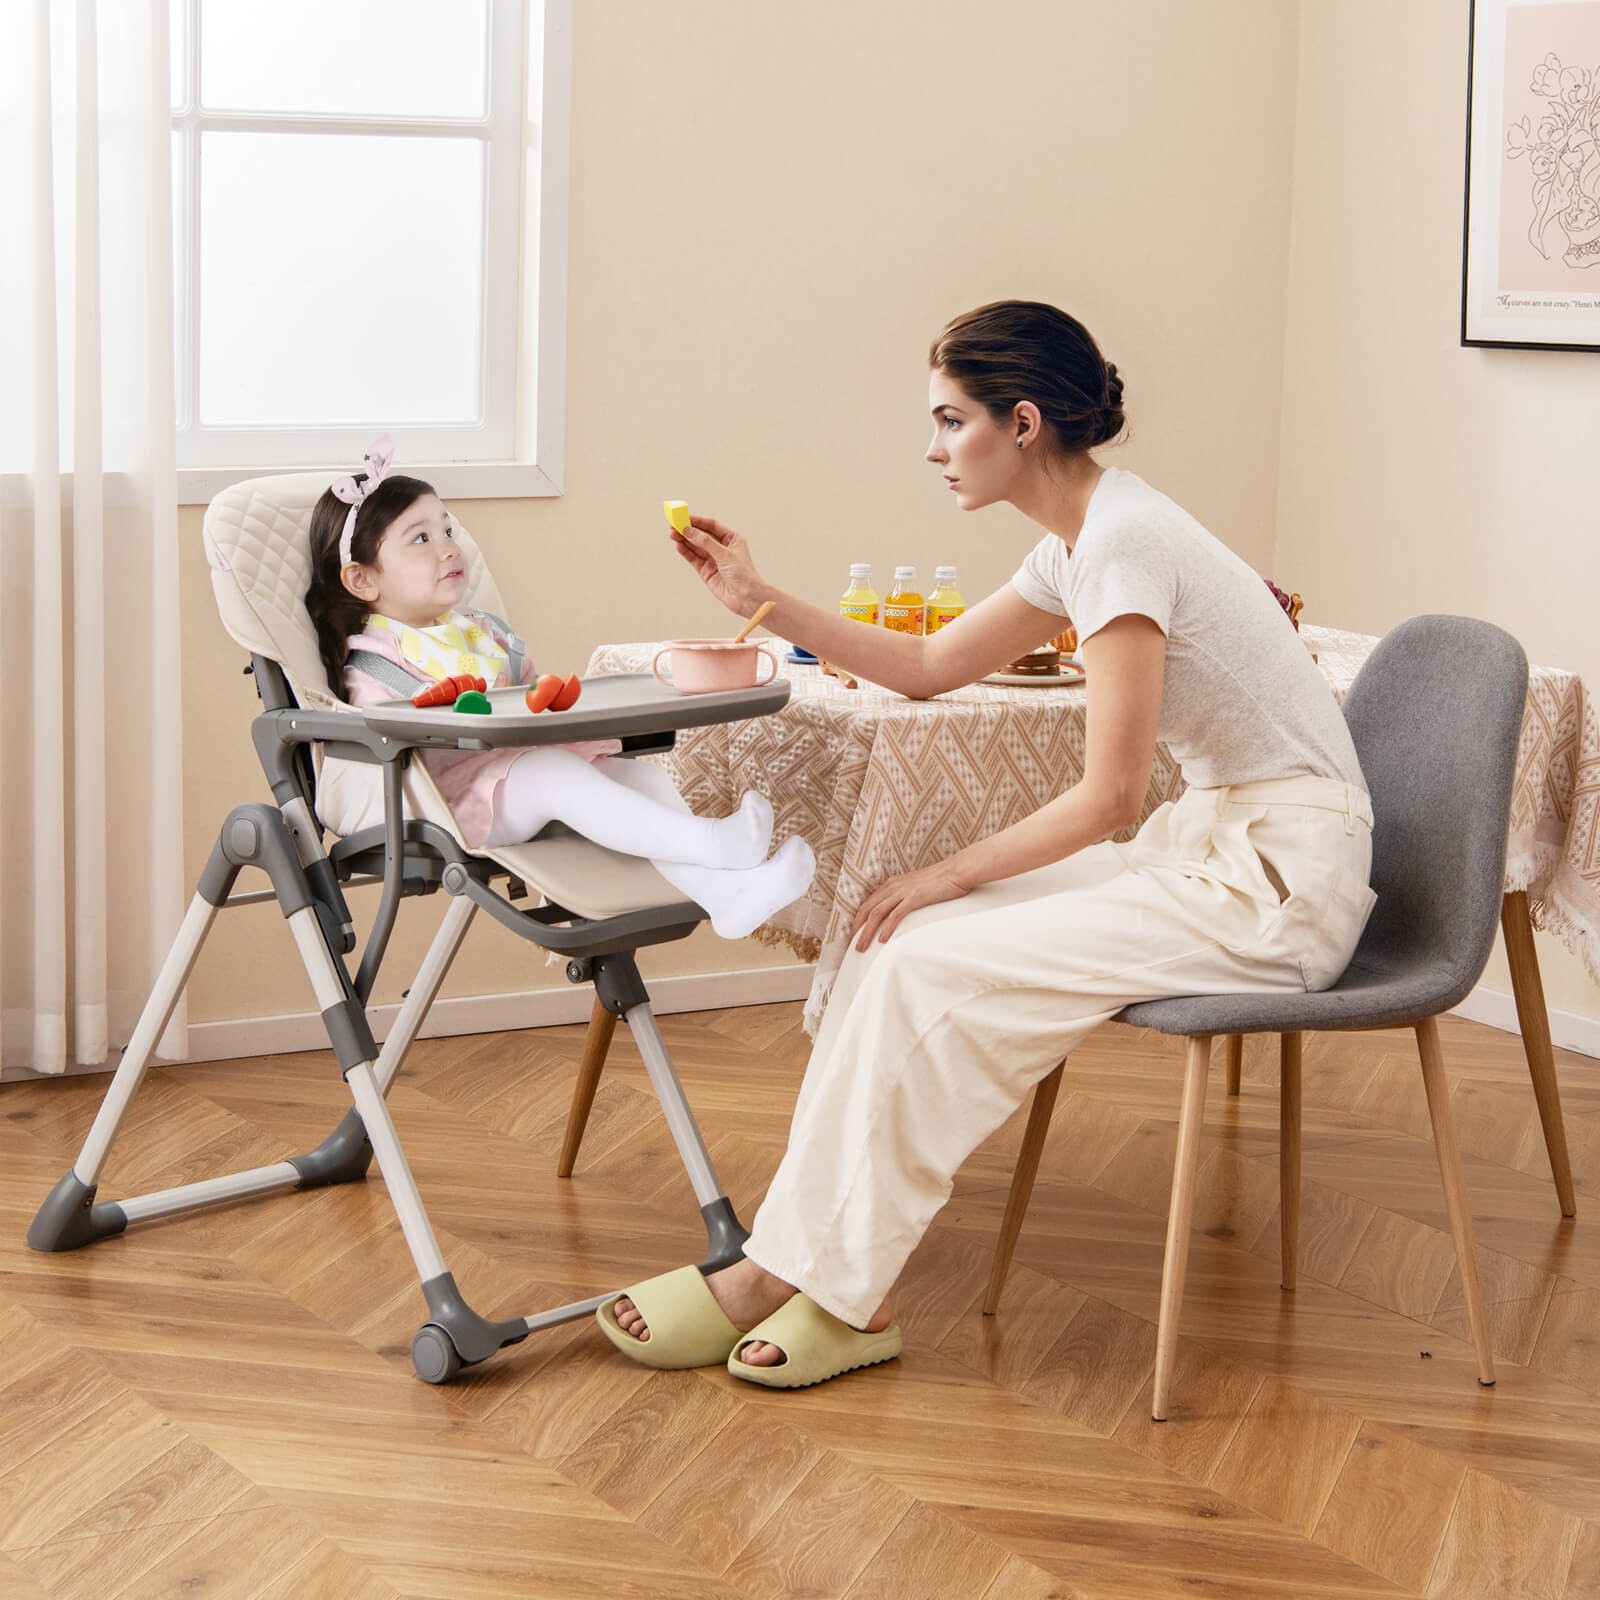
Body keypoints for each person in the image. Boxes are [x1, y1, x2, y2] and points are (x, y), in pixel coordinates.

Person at [596, 299, 1375, 1388]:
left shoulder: (1123, 545)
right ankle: (817, 1274)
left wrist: (947, 870)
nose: (933, 448)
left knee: (927, 945)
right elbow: (925, 667)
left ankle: (796, 1283)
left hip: (1276, 883)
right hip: (1212, 847)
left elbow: (1110, 797)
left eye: (949, 420)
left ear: (1021, 423)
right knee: (890, 937)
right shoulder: (1083, 541)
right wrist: (759, 598)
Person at [304, 439, 815, 939]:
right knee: (549, 772)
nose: (449, 547)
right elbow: (388, 731)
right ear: (362, 579)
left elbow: (525, 700)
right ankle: (713, 844)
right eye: (420, 539)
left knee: (636, 776)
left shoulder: (481, 631)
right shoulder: (374, 659)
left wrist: (549, 701)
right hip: (442, 803)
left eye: (448, 530)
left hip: (508, 779)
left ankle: (728, 896)